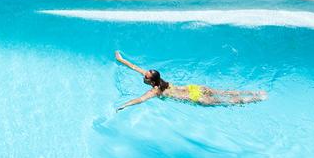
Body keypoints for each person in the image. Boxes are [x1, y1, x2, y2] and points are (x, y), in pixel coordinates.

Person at [114, 51, 266, 109]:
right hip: (195, 88)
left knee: (225, 101)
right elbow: (135, 67)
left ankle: (253, 100)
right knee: (224, 92)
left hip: (194, 96)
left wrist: (124, 105)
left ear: (152, 81)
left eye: (145, 76)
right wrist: (121, 59)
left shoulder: (155, 90)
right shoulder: (160, 81)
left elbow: (140, 100)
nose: (143, 75)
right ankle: (254, 93)